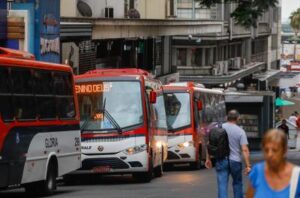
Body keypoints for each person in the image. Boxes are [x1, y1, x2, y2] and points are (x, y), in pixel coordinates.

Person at [205, 109, 251, 198]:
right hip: (235, 161)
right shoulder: (240, 131)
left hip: (221, 159)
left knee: (222, 185)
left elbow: (209, 144)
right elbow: (244, 149)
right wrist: (248, 165)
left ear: (227, 117)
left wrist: (208, 158)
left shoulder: (218, 128)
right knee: (237, 184)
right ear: (238, 118)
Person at [246, 129, 300, 197]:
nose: (269, 154)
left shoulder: (297, 176)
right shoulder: (257, 171)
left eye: (275, 150)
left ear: (284, 151)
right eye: (266, 150)